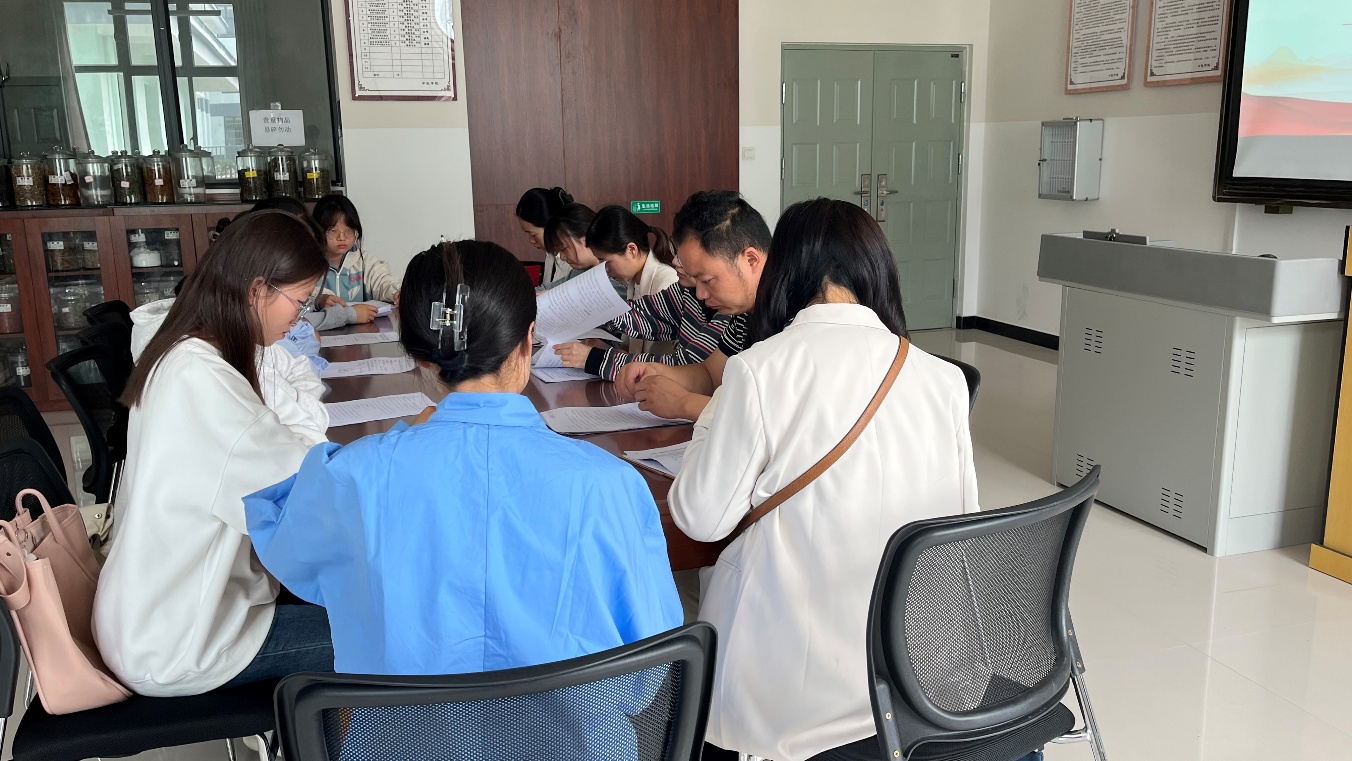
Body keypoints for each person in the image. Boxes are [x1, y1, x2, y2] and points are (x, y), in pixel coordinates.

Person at [243, 239, 683, 679]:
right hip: (575, 723)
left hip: (402, 724)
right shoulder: (610, 483)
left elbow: (283, 541)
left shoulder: (353, 476)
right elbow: (650, 666)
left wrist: (395, 446)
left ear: (418, 357)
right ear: (528, 341)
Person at [669, 199, 979, 761]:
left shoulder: (758, 370)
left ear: (782, 270)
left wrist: (712, 413)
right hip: (917, 671)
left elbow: (699, 517)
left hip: (790, 696)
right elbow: (958, 527)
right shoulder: (944, 379)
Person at [93, 210, 335, 697]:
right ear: (258, 290)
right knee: (374, 632)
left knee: (351, 600)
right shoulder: (201, 380)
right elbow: (301, 490)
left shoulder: (188, 350)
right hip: (180, 640)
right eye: (301, 301)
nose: (300, 318)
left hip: (160, 612)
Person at [614, 190, 770, 419]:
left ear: (751, 260)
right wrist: (657, 372)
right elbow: (710, 375)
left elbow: (769, 419)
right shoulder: (744, 311)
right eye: (695, 280)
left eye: (706, 280)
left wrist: (685, 403)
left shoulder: (794, 316)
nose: (701, 294)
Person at [576, 205, 680, 357]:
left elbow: (666, 359)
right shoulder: (634, 282)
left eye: (606, 262)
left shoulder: (667, 282)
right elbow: (631, 351)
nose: (605, 270)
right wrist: (602, 347)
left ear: (631, 250)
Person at [313, 194, 399, 325]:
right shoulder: (307, 265)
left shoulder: (365, 261)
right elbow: (297, 292)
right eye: (333, 230)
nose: (342, 237)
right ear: (317, 231)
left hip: (363, 331)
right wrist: (319, 299)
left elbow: (383, 282)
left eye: (349, 230)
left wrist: (397, 291)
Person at [516, 186, 574, 286]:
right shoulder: (550, 254)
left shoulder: (575, 261)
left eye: (533, 234)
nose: (531, 240)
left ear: (552, 226)